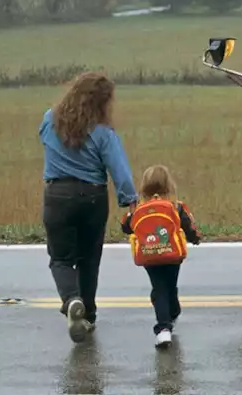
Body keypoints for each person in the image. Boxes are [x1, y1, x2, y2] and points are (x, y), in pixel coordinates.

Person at [40, 72, 138, 343]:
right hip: (92, 198)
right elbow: (120, 171)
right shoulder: (103, 133)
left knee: (60, 258)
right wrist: (130, 201)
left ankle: (71, 301)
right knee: (88, 260)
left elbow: (44, 140)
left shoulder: (50, 119)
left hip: (57, 194)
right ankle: (89, 316)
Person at [121, 164, 202, 349]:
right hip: (173, 255)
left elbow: (126, 226)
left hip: (150, 255)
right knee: (170, 285)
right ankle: (172, 312)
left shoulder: (139, 209)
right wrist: (195, 239)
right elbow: (189, 226)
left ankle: (163, 329)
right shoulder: (176, 206)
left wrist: (131, 211)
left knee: (159, 288)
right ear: (169, 185)